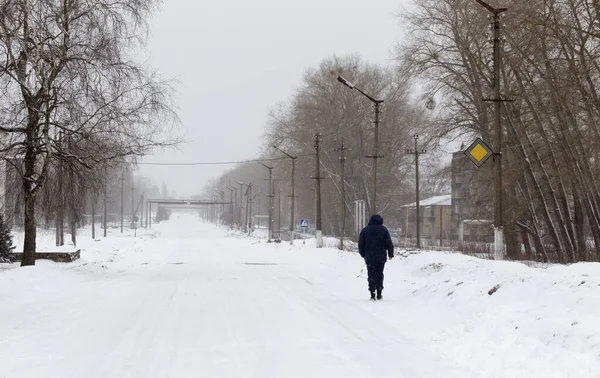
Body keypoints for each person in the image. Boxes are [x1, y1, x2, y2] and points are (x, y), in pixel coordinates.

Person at [358, 214, 394, 301]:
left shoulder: (365, 230)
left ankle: (372, 293)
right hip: (381, 257)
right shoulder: (383, 230)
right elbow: (388, 243)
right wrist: (390, 253)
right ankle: (379, 292)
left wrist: (363, 254)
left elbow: (361, 244)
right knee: (379, 274)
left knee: (371, 274)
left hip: (369, 257)